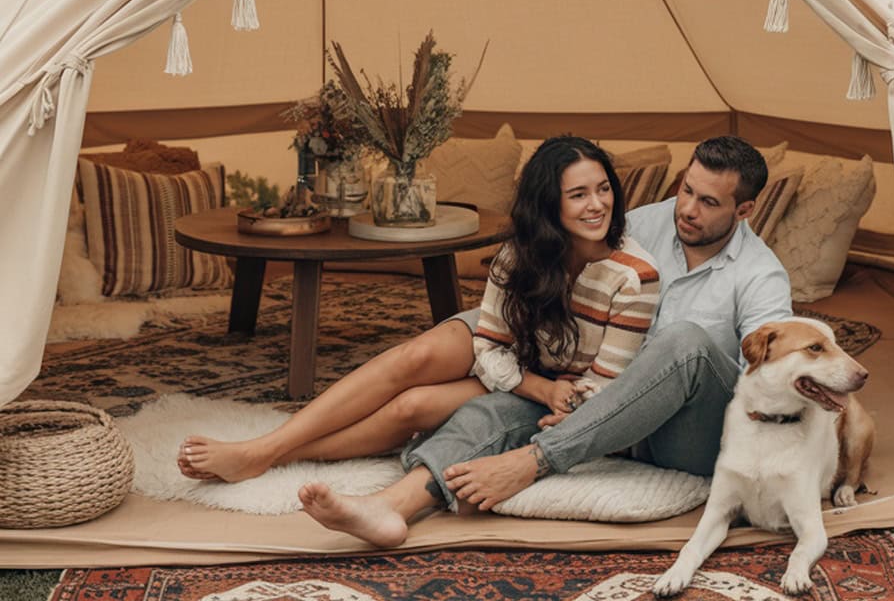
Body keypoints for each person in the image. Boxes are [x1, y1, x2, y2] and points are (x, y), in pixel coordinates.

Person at [298, 135, 793, 545]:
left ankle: (534, 460)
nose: (688, 209)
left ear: (744, 209)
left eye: (709, 202)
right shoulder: (646, 222)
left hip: (685, 433)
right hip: (597, 400)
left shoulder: (761, 278)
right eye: (687, 190)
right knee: (490, 411)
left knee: (685, 341)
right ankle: (389, 509)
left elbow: (774, 373)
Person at [177, 134, 658, 487]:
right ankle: (263, 447)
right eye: (578, 195)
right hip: (522, 365)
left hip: (563, 389)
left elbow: (602, 390)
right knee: (414, 359)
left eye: (604, 189)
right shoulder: (520, 254)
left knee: (413, 407)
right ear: (548, 205)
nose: (597, 205)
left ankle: (272, 458)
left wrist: (556, 396)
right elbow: (489, 345)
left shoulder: (634, 277)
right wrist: (533, 382)